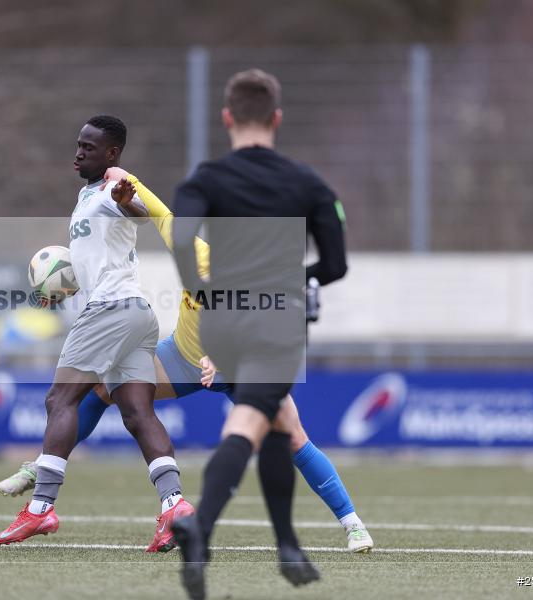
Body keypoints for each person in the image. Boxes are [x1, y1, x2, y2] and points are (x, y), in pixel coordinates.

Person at [0, 167, 372, 553]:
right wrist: (130, 179)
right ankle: (43, 469)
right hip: (183, 358)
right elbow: (161, 215)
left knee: (294, 438)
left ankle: (353, 524)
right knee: (100, 389)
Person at [168, 69, 348, 599]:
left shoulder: (205, 179)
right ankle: (202, 529)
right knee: (252, 420)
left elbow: (181, 238)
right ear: (277, 119)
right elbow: (335, 265)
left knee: (267, 418)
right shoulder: (307, 183)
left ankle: (287, 544)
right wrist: (302, 278)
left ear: (227, 118)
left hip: (220, 319)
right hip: (276, 316)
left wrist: (199, 291)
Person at [0, 115, 194, 548]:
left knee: (59, 398)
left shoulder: (110, 186)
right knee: (138, 415)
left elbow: (134, 210)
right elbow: (97, 262)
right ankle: (173, 506)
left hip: (111, 313)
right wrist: (60, 292)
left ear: (112, 153)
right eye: (79, 144)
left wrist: (126, 198)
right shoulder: (86, 197)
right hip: (135, 315)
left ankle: (41, 508)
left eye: (89, 146)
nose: (79, 151)